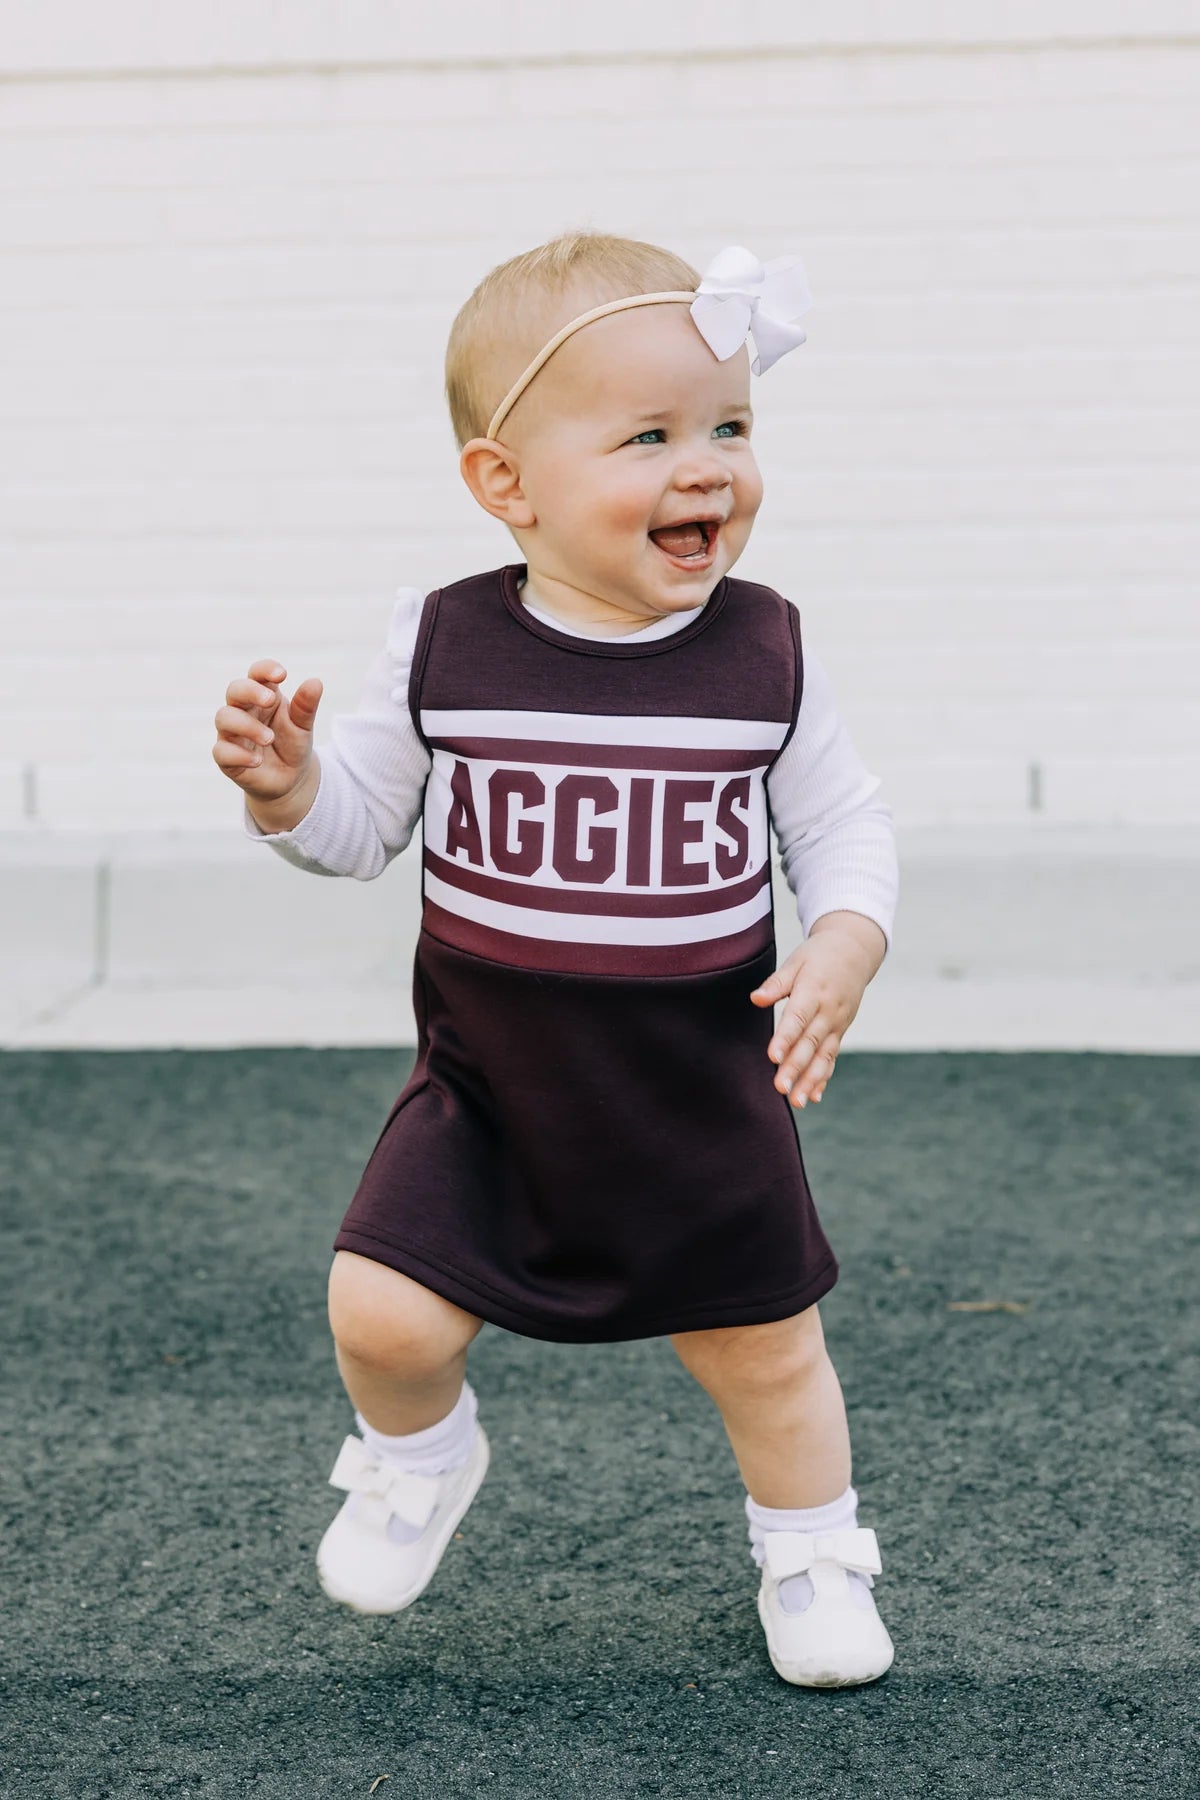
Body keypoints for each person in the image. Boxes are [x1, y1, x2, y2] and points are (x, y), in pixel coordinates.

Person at [211, 232, 899, 1688]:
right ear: (505, 483)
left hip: (696, 1098)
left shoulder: (764, 652)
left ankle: (813, 1551)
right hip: (489, 1091)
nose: (706, 468)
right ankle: (418, 1457)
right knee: (380, 1310)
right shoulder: (444, 642)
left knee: (765, 1355)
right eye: (649, 437)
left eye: (730, 427)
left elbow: (844, 827)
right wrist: (289, 788)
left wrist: (844, 940)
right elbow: (360, 831)